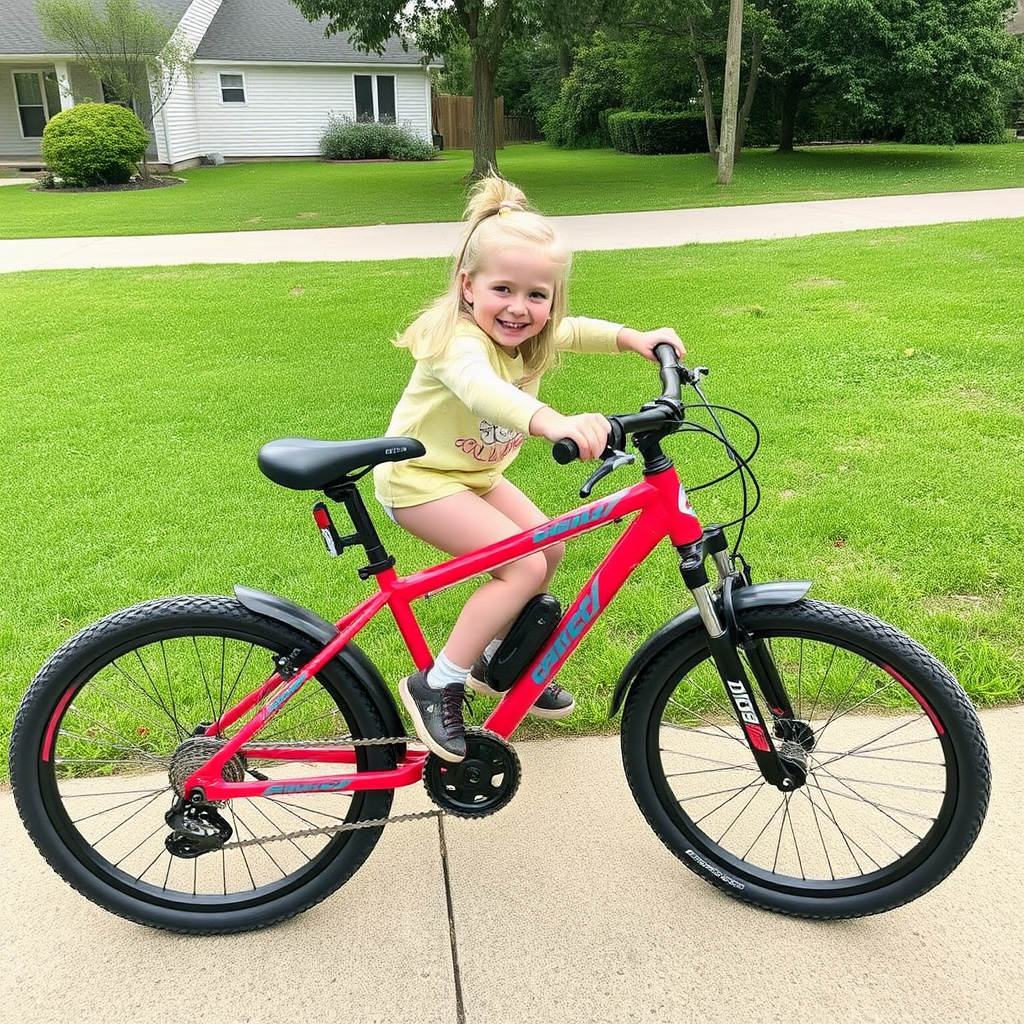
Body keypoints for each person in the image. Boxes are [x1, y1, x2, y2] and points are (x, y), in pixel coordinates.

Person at [373, 176, 685, 762]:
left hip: (473, 475)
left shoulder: (530, 333)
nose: (520, 308)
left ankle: (496, 662)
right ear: (468, 287)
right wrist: (552, 421)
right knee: (521, 567)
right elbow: (482, 391)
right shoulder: (455, 341)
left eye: (537, 295)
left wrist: (634, 339)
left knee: (552, 546)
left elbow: (576, 330)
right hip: (420, 480)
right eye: (503, 289)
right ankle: (439, 681)